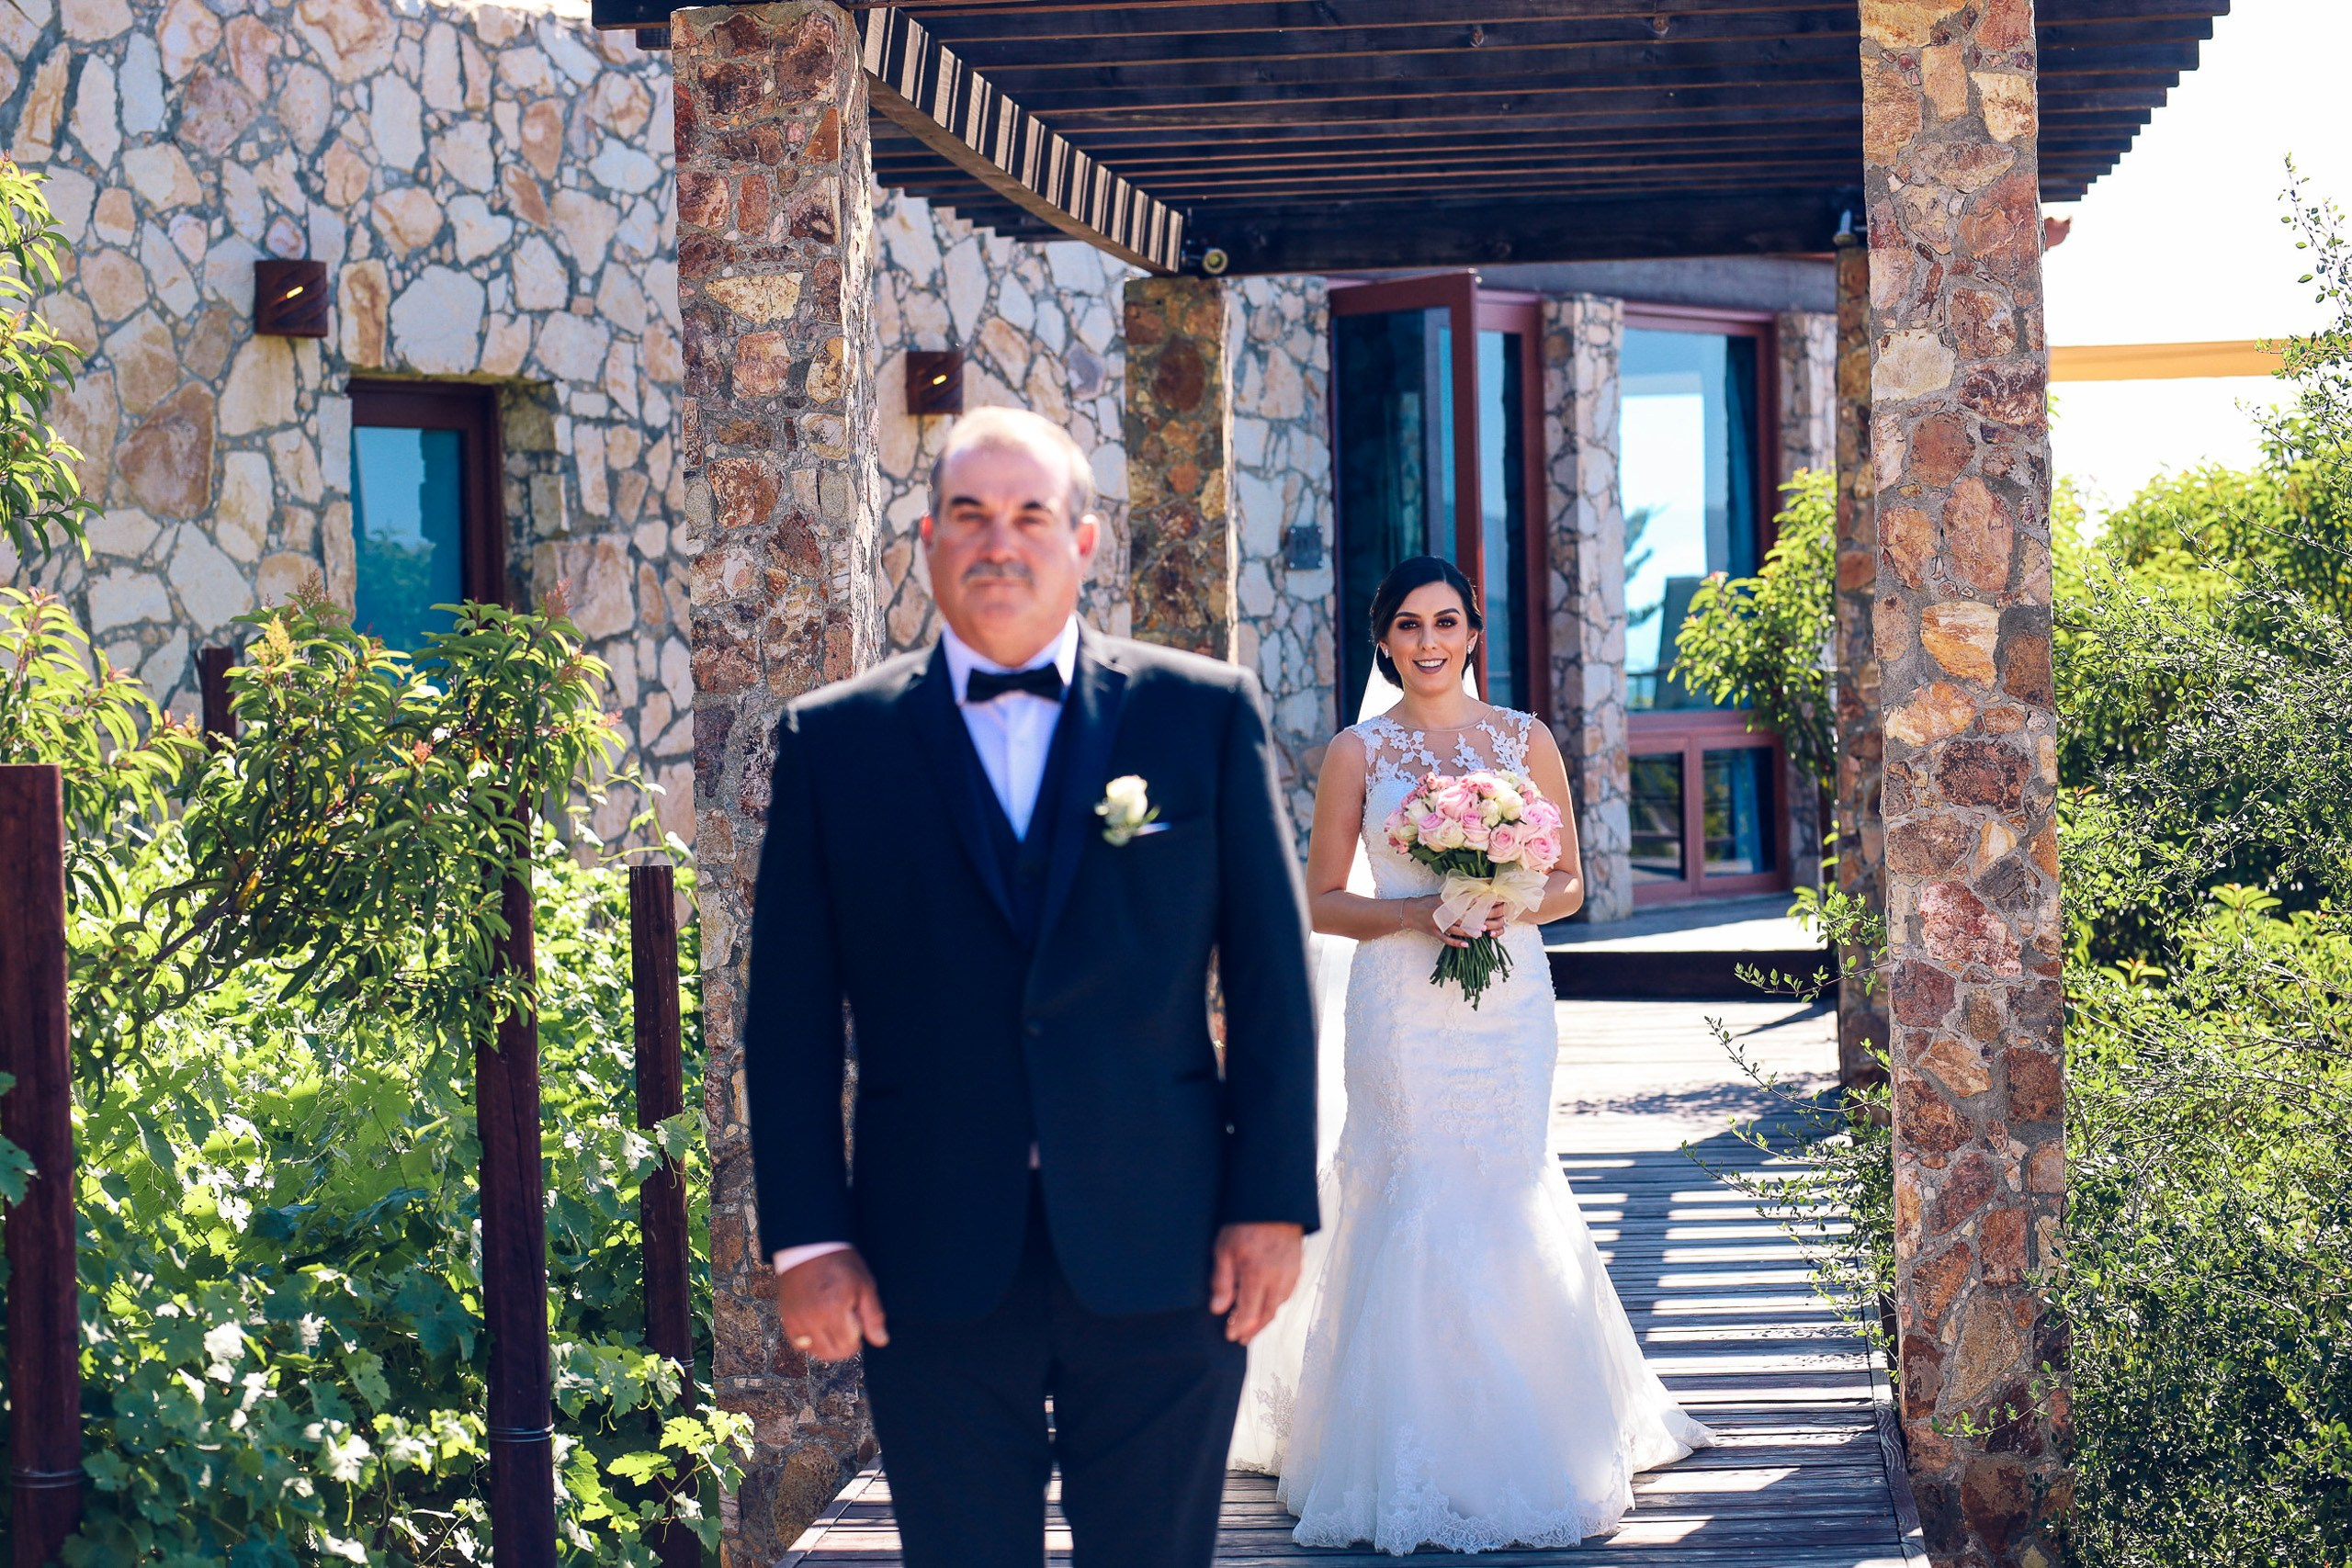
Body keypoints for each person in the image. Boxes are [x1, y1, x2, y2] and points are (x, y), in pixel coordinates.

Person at [738, 406, 1320, 1568]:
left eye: (1029, 515)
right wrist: (808, 1240)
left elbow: (1269, 974)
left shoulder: (1200, 715)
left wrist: (1272, 1198)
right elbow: (791, 1015)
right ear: (927, 537)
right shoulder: (833, 745)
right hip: (927, 1252)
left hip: (1167, 1244)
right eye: (970, 515)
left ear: (1084, 541)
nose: (999, 543)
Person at [1230, 555, 1714, 1554]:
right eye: (1407, 626)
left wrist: (1503, 901)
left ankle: (1533, 1437)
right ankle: (1388, 1448)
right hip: (1403, 1005)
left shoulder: (1522, 740)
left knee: (1503, 1181)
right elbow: (1320, 898)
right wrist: (1417, 912)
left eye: (1445, 622)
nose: (1428, 642)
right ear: (1384, 640)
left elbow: (1573, 885)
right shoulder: (1357, 753)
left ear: (1473, 632)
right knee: (1411, 1186)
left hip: (1507, 1000)